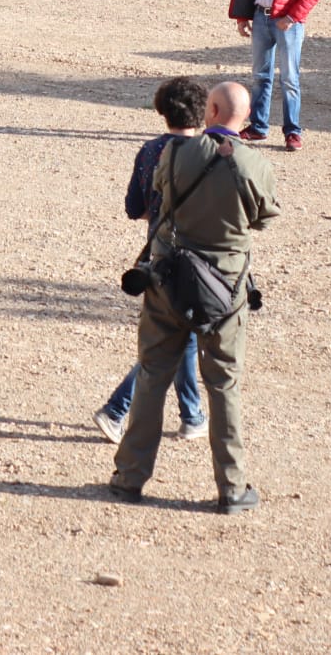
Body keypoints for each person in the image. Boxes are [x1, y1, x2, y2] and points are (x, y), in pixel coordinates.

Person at [108, 80, 280, 514]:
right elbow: (262, 220)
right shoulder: (255, 165)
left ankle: (129, 477)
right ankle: (232, 488)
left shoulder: (177, 154)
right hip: (226, 287)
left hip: (169, 278)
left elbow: (160, 197)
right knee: (223, 384)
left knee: (152, 375)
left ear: (214, 111)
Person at [94, 76, 212, 447]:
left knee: (180, 337)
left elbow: (135, 208)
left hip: (157, 256)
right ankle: (116, 409)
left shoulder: (149, 151)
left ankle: (192, 415)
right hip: (197, 260)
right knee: (172, 340)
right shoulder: (209, 156)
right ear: (205, 112)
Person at [230, 0, 324, 151]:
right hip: (261, 16)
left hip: (288, 23)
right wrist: (243, 16)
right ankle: (258, 127)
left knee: (290, 79)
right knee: (260, 76)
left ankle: (292, 131)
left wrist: (292, 17)